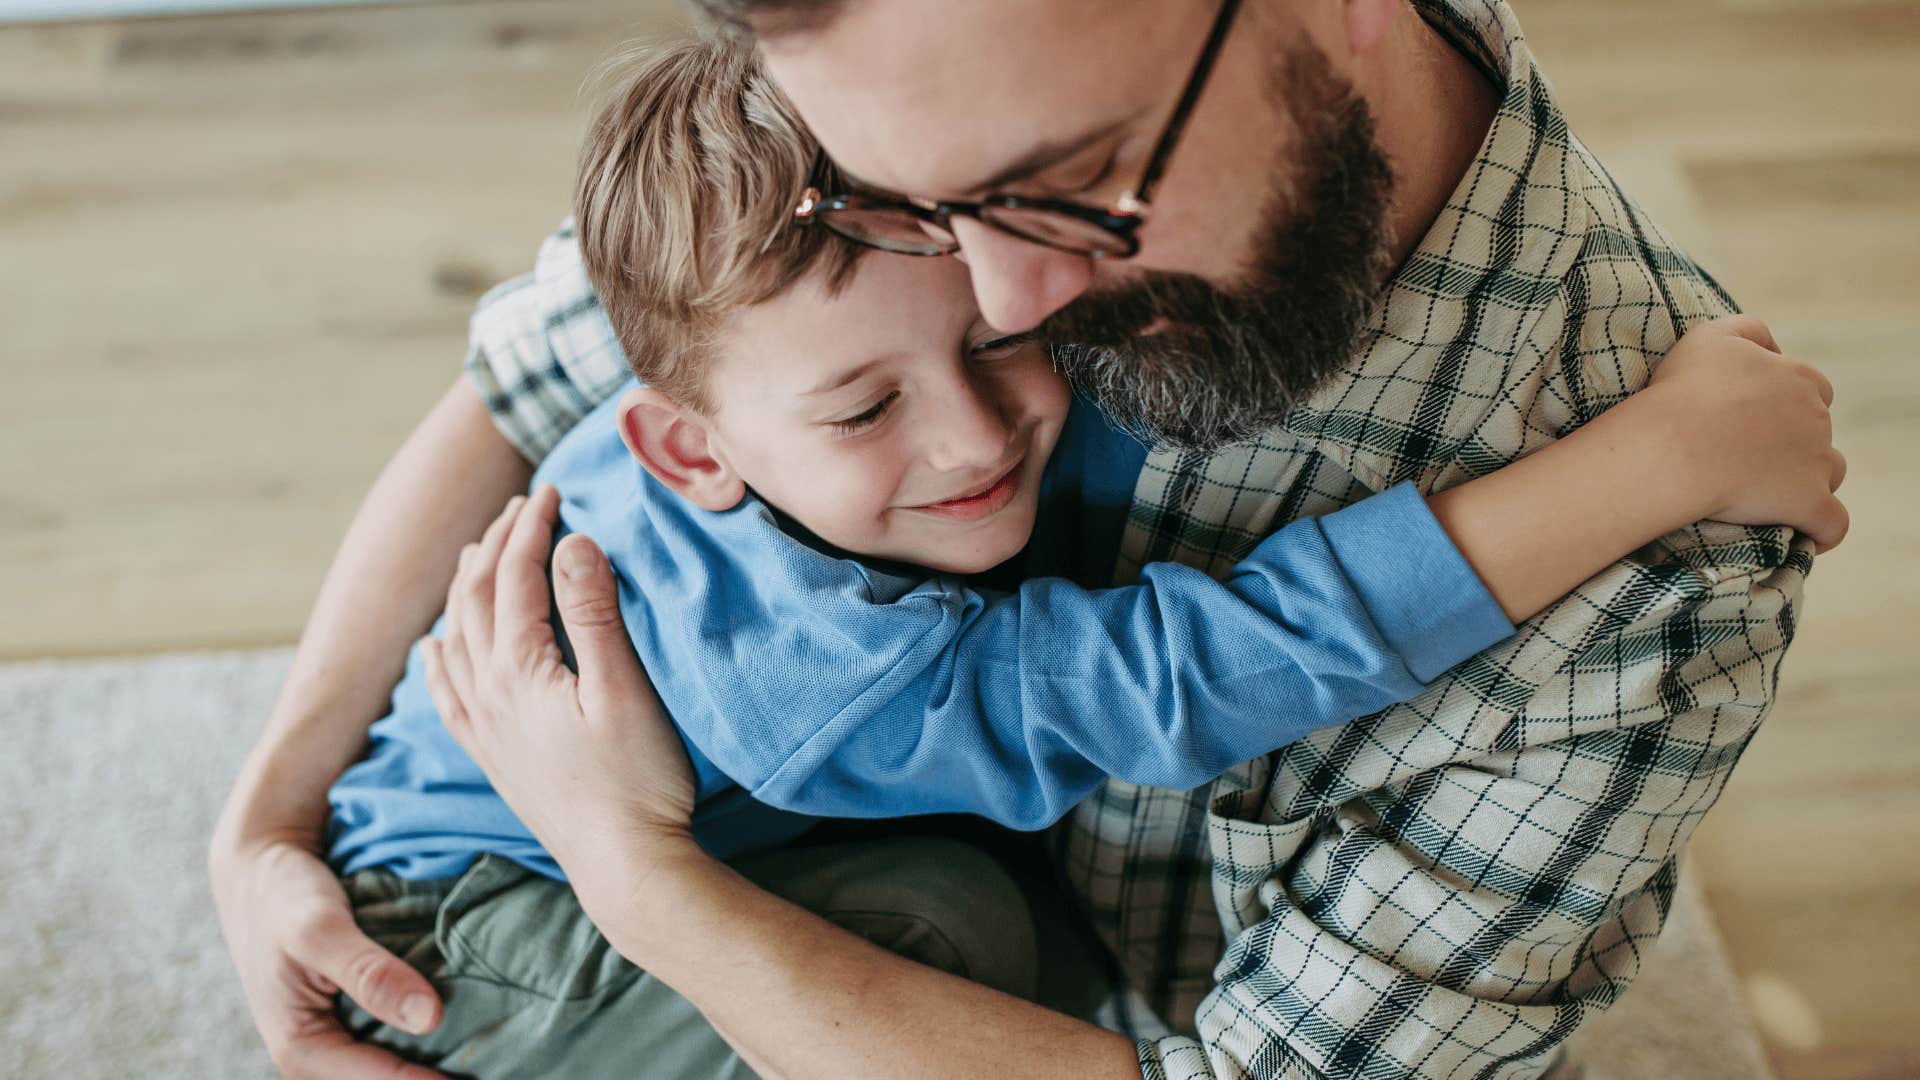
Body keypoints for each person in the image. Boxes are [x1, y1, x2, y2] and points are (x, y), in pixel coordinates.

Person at [209, 1, 1852, 1077]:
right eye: (925, 209)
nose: (1003, 326)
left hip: (640, 848)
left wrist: (1650, 467)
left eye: (1071, 195)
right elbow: (524, 376)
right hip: (488, 906)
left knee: (955, 925)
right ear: (686, 448)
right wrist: (266, 828)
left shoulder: (1668, 594)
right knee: (961, 935)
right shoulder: (867, 135)